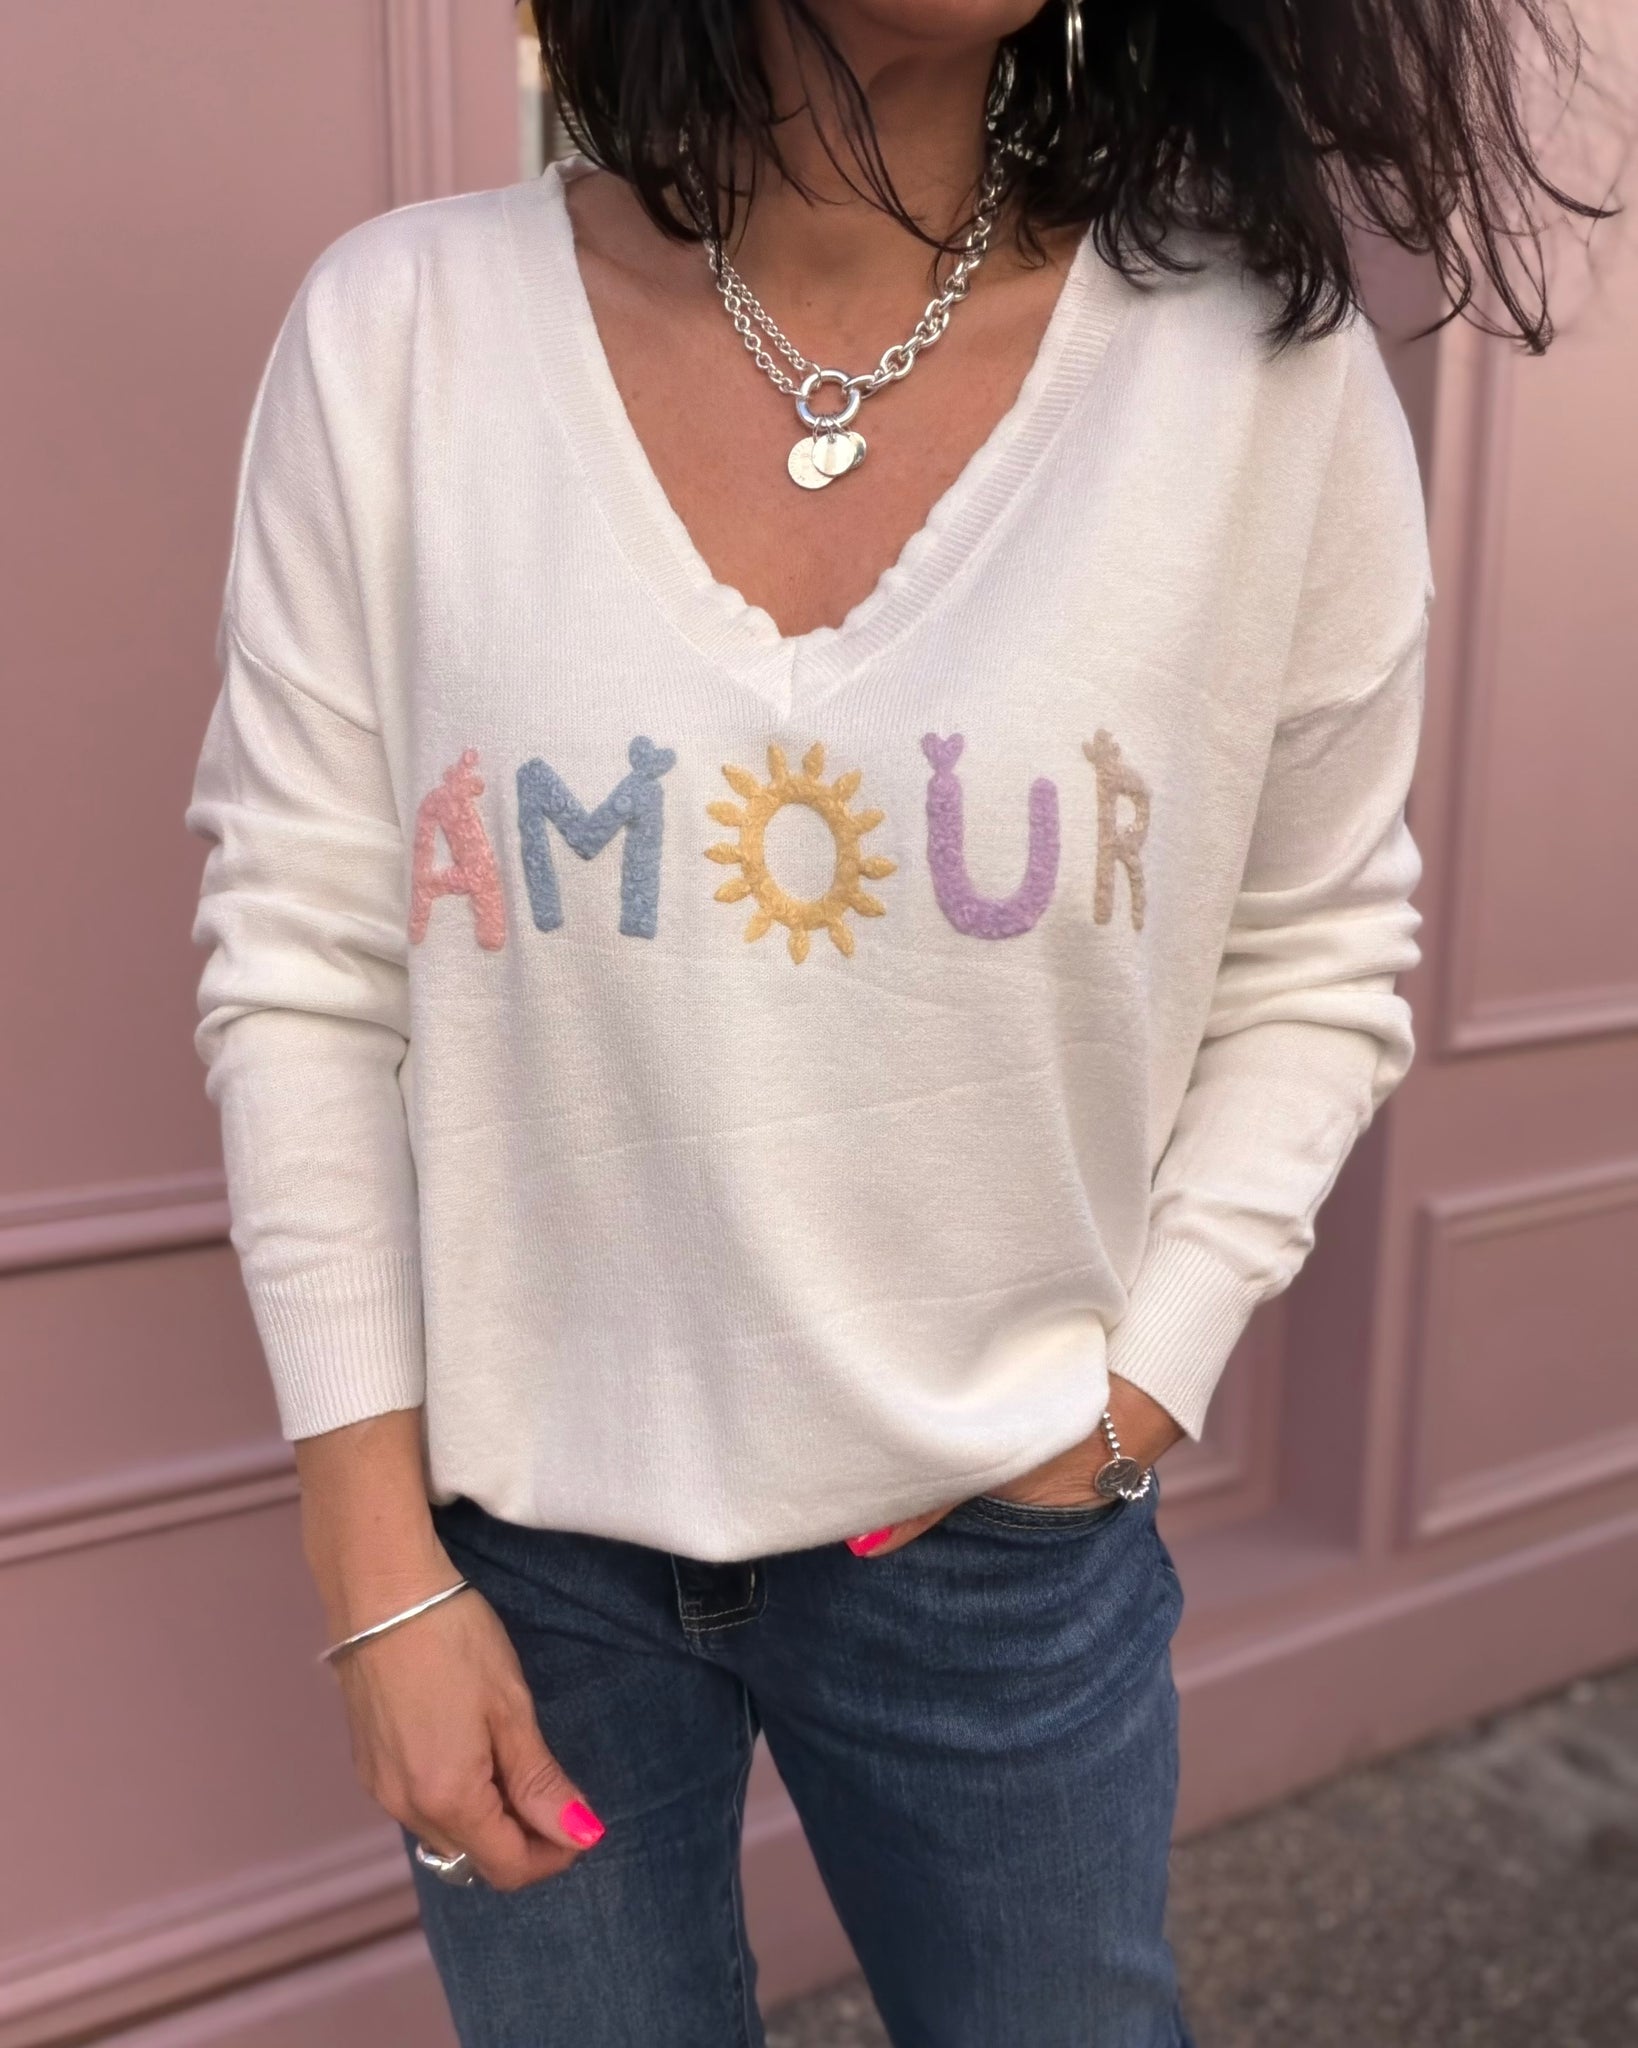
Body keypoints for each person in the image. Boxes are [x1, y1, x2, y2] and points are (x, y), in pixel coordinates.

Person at [183, 2, 1602, 2042]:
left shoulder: (1251, 375)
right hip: (518, 1549)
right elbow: (303, 956)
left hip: (996, 1541)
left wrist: (1137, 1390)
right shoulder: (401, 337)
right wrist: (373, 1572)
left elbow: (1318, 947)